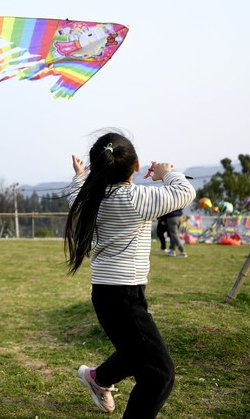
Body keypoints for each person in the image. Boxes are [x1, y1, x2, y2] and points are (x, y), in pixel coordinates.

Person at [64, 131, 196, 417]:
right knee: (159, 375)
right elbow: (184, 193)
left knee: (135, 352)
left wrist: (79, 175)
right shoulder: (136, 198)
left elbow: (74, 194)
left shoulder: (89, 198)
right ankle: (98, 379)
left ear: (98, 167)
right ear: (136, 166)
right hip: (124, 296)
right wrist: (166, 173)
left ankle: (98, 379)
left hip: (107, 293)